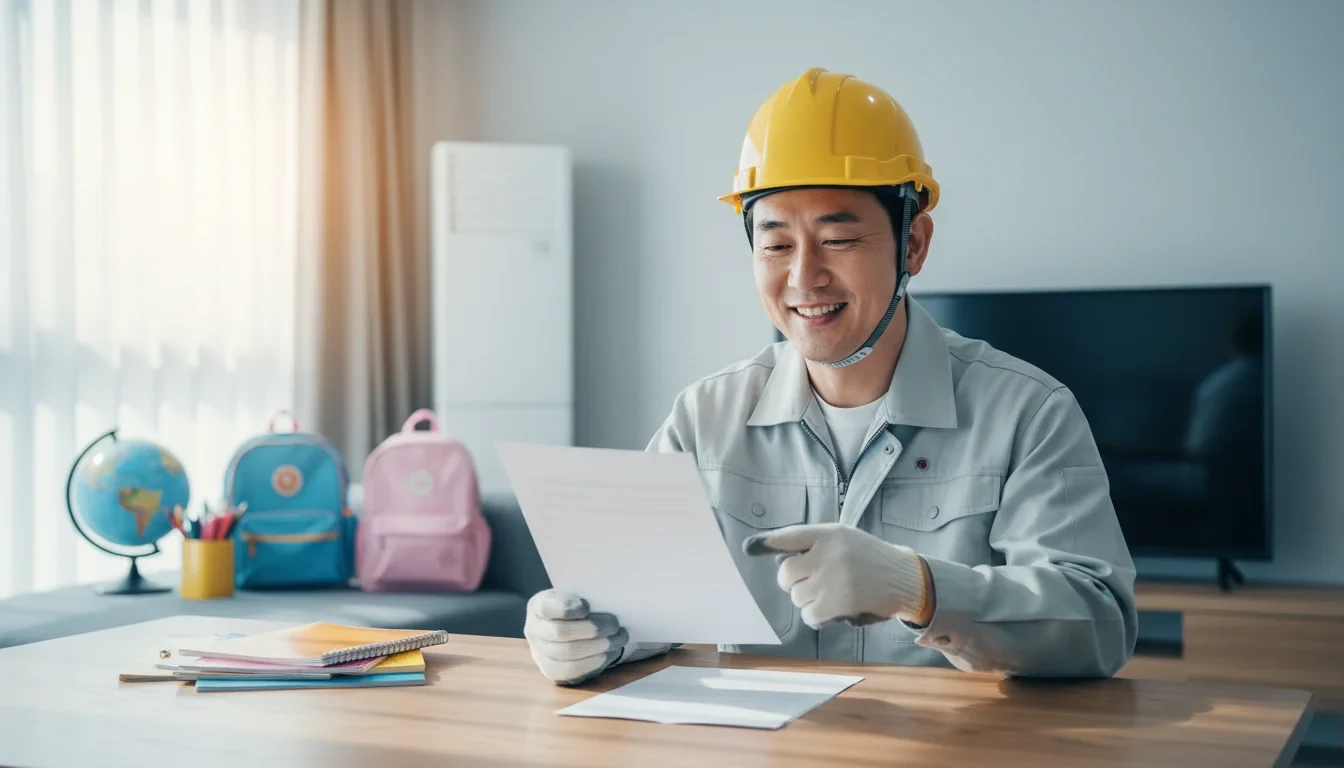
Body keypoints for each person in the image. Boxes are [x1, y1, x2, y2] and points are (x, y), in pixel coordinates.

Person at [524, 68, 1138, 685]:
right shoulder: (704, 419)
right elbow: (642, 602)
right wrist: (591, 635)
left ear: (914, 244)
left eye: (838, 238)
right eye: (776, 244)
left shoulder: (1028, 413)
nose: (803, 278)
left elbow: (1099, 624)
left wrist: (921, 589)